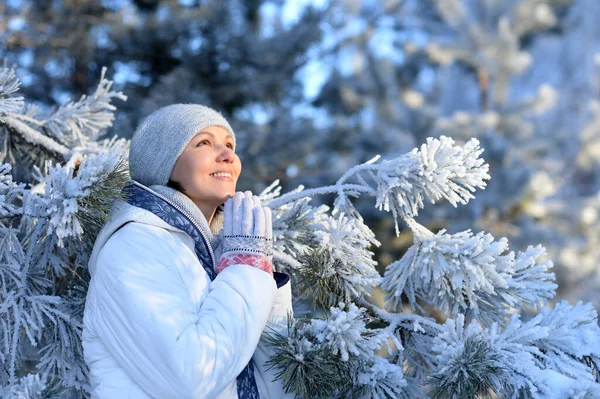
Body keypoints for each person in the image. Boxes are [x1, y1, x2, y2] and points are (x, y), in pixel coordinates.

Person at [82, 104, 293, 398]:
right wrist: (245, 269)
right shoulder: (134, 246)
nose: (228, 155)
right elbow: (193, 378)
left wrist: (255, 272)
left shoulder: (220, 253)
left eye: (230, 145)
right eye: (204, 142)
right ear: (163, 161)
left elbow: (279, 384)